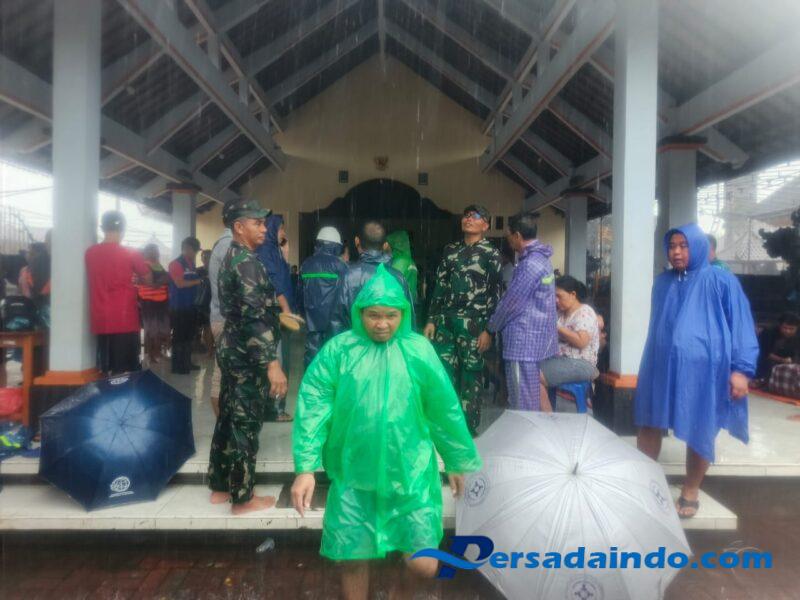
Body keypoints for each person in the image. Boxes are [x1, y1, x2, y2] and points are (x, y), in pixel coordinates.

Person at [291, 264, 481, 599]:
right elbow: (313, 406)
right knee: (353, 557)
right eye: (374, 315)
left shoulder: (419, 350)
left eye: (391, 315)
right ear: (359, 313)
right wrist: (305, 468)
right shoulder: (339, 351)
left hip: (410, 475)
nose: (382, 324)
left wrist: (455, 459)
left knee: (424, 564)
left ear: (403, 314)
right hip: (354, 475)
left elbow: (444, 408)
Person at [636, 223, 759, 518]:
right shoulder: (662, 282)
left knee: (700, 424)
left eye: (684, 245)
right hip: (659, 365)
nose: (676, 252)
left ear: (699, 247)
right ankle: (643, 483)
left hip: (705, 370)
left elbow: (741, 325)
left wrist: (741, 370)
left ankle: (691, 490)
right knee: (650, 421)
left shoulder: (720, 280)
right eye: (672, 246)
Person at [208, 199, 288, 515]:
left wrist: (276, 315)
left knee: (228, 417)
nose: (264, 229)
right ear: (239, 227)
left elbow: (247, 308)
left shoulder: (234, 256)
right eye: (258, 223)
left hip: (233, 348)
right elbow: (254, 317)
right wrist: (272, 364)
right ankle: (243, 499)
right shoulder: (247, 263)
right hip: (247, 354)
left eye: (264, 223)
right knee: (245, 423)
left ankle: (220, 485)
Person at [424, 204, 502, 434]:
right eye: (466, 215)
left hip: (474, 325)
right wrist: (431, 319)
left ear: (485, 225)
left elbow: (496, 295)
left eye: (475, 216)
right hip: (447, 322)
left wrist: (489, 330)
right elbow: (440, 286)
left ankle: (468, 429)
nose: (468, 219)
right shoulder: (451, 250)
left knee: (471, 375)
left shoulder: (491, 254)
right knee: (444, 373)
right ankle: (445, 426)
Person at [482, 213, 557, 412]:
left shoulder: (529, 265)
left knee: (522, 403)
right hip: (535, 343)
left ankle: (527, 433)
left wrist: (490, 329)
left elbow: (510, 304)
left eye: (509, 236)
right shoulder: (542, 260)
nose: (508, 241)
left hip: (523, 345)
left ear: (517, 235)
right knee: (532, 397)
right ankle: (542, 430)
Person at [85, 210, 152, 375]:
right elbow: (148, 279)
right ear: (123, 229)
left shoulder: (90, 253)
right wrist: (136, 279)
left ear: (102, 228)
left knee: (106, 369)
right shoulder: (131, 253)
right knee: (126, 372)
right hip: (125, 319)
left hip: (100, 319)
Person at [329, 221, 415, 335]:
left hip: (355, 345)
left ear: (357, 241)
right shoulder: (398, 277)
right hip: (389, 345)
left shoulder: (347, 276)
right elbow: (408, 321)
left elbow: (337, 323)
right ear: (385, 245)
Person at [256, 215, 297, 421]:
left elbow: (282, 278)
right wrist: (286, 310)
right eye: (281, 229)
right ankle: (274, 410)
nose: (283, 233)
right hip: (275, 314)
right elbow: (274, 284)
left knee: (282, 359)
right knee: (277, 361)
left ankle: (275, 407)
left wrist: (285, 256)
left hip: (279, 314)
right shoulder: (265, 251)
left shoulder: (274, 251)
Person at [538, 276, 601, 408]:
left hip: (581, 363)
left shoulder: (585, 312)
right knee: (529, 370)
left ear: (573, 294)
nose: (556, 300)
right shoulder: (561, 314)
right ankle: (548, 413)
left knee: (534, 376)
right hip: (562, 360)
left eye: (559, 296)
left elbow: (581, 342)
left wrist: (557, 327)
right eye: (554, 296)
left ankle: (548, 416)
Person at [298, 226, 347, 366]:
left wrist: (302, 314)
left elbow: (299, 293)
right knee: (333, 356)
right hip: (334, 321)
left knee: (312, 356)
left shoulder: (306, 264)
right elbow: (346, 294)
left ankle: (311, 378)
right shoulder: (340, 266)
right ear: (336, 246)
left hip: (311, 320)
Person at [208, 227, 233, 417]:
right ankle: (223, 423)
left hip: (222, 317)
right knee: (222, 373)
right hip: (226, 319)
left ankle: (224, 423)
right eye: (256, 223)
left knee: (222, 372)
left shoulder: (222, 244)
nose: (262, 229)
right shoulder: (228, 246)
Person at [168, 237, 202, 374]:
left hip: (191, 305)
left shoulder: (191, 264)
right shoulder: (175, 264)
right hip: (179, 306)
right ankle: (178, 366)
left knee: (189, 336)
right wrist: (198, 282)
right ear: (187, 248)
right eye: (195, 251)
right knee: (179, 336)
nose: (196, 254)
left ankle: (187, 362)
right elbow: (179, 283)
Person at [137, 244, 170, 364]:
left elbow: (167, 278)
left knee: (162, 330)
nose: (155, 253)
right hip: (148, 302)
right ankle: (150, 355)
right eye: (152, 250)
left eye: (156, 250)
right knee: (151, 331)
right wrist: (160, 281)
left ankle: (158, 352)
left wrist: (161, 281)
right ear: (146, 252)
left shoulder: (158, 265)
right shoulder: (143, 265)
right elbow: (147, 282)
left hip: (162, 302)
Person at [755, 312, 800, 384]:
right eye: (785, 328)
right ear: (780, 325)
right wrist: (782, 360)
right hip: (765, 362)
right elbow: (764, 352)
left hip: (788, 363)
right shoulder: (769, 332)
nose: (788, 331)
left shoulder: (797, 337)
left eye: (791, 329)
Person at [18, 242, 51, 327]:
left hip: (43, 308)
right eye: (28, 252)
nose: (28, 255)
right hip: (27, 307)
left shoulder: (47, 270)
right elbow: (20, 289)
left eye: (30, 252)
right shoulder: (23, 270)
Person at [386, 230, 419, 304]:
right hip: (409, 301)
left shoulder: (400, 262)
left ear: (395, 245)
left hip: (400, 303)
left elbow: (391, 285)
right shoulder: (408, 260)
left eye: (388, 244)